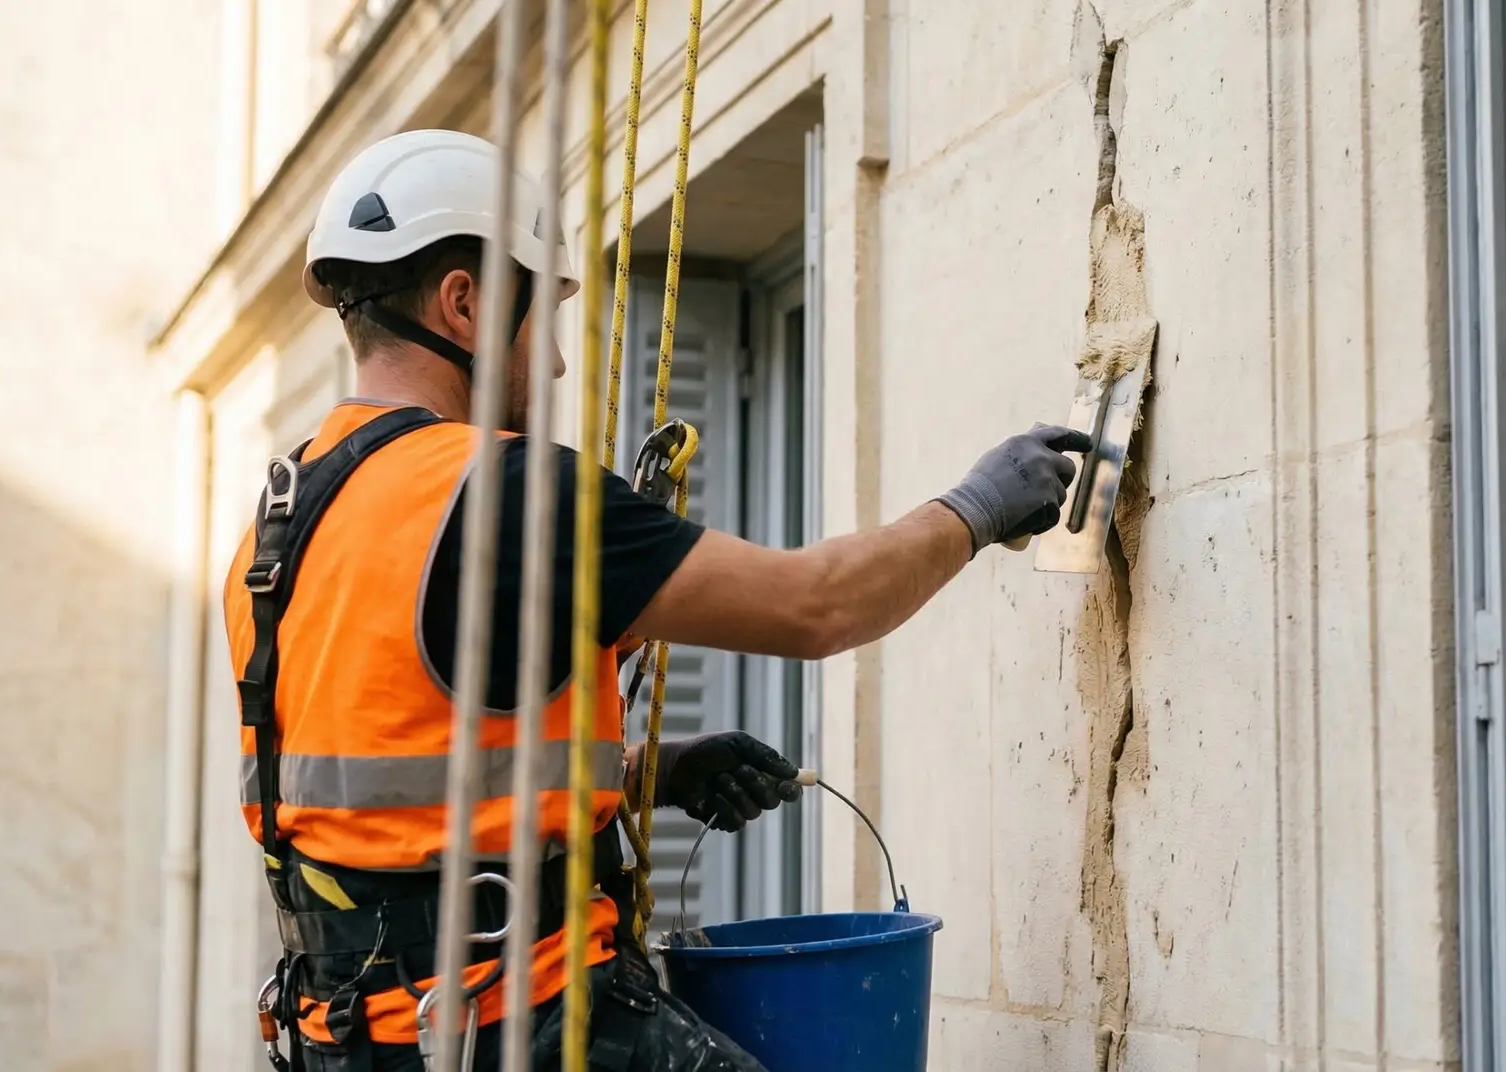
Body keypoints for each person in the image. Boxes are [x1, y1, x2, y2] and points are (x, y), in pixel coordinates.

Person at [223, 128, 1090, 1072]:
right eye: (540, 320)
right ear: (464, 304)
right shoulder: (508, 491)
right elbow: (818, 606)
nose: (556, 364)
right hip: (516, 1018)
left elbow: (394, 789)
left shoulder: (279, 526)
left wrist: (655, 770)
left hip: (353, 1040)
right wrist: (977, 507)